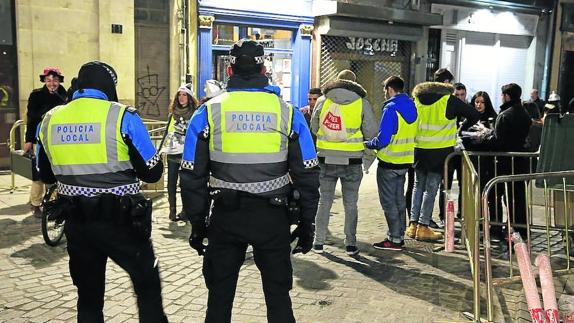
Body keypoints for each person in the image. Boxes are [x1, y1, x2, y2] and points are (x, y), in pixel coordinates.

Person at [180, 39, 319, 322]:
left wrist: (197, 224)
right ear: (265, 70)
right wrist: (307, 222)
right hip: (273, 218)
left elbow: (192, 175)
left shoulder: (207, 111)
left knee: (218, 299)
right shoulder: (288, 112)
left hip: (225, 218)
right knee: (279, 298)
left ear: (229, 71)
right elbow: (307, 174)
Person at [36, 61, 168, 322]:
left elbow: (45, 173)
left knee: (88, 298)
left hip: (78, 222)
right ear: (109, 86)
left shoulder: (50, 119)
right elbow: (152, 173)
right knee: (147, 288)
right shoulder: (122, 116)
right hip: (122, 221)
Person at [310, 69, 378, 255]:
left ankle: (318, 242)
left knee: (324, 201)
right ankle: (350, 244)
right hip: (352, 161)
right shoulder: (361, 102)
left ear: (337, 81)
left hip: (325, 158)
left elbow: (314, 127)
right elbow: (371, 132)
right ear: (354, 83)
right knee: (350, 203)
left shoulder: (323, 100)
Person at [407, 68, 479, 242]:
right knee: (431, 189)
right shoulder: (448, 100)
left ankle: (413, 225)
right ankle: (424, 226)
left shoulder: (418, 98)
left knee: (418, 186)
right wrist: (459, 127)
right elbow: (474, 115)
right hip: (439, 151)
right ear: (446, 82)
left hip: (419, 149)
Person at [366, 76, 417, 251]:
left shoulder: (391, 108)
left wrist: (370, 143)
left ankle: (394, 239)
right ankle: (399, 234)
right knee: (399, 200)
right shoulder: (413, 106)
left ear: (389, 89)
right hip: (405, 163)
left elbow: (384, 139)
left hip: (389, 163)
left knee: (389, 203)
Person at [483, 83, 532, 242]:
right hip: (521, 161)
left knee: (497, 195)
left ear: (507, 96)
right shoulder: (524, 113)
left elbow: (499, 141)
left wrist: (486, 137)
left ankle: (497, 228)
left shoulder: (505, 115)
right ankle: (521, 230)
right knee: (518, 196)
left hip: (503, 162)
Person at [24, 67, 67, 217]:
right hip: (40, 139)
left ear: (59, 81)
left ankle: (53, 202)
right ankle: (35, 203)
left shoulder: (65, 95)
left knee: (56, 172)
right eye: (48, 80)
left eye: (54, 80)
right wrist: (28, 140)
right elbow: (31, 119)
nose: (52, 83)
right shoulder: (36, 95)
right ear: (44, 81)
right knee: (39, 173)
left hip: (58, 140)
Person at [160, 83, 197, 221]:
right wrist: (161, 150)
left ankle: (185, 211)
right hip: (172, 152)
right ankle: (172, 211)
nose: (181, 98)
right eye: (179, 95)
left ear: (189, 97)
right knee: (171, 183)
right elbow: (166, 133)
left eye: (184, 95)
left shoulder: (195, 114)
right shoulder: (173, 113)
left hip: (187, 153)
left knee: (185, 184)